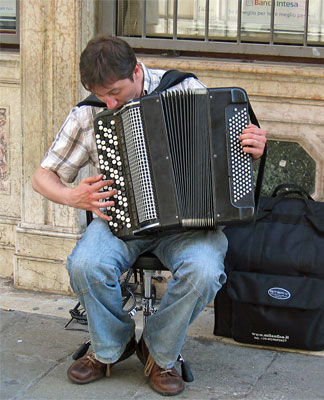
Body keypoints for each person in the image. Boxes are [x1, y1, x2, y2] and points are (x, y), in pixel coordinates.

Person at [32, 35, 267, 396]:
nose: (109, 102)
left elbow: (228, 154)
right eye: (101, 94)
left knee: (204, 272)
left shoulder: (186, 90)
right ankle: (113, 346)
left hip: (190, 224)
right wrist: (71, 195)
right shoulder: (89, 113)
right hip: (120, 222)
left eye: (115, 91)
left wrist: (253, 145)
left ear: (137, 71)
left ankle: (159, 352)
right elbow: (42, 176)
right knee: (85, 264)